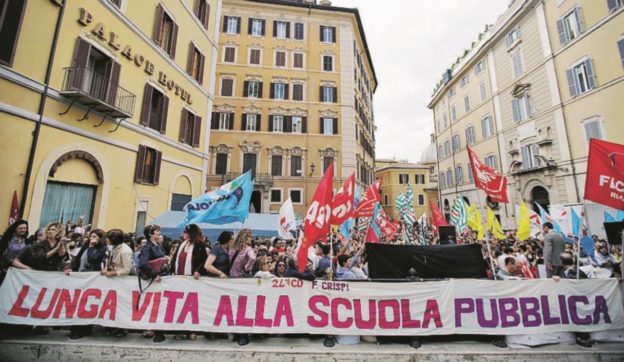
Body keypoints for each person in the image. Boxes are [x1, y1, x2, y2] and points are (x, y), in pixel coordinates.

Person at [170, 224, 209, 341]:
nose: (183, 234)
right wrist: (172, 271)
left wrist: (198, 271)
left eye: (185, 232)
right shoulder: (181, 245)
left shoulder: (200, 246)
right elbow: (175, 259)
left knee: (191, 306)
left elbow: (203, 262)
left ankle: (191, 330)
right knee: (179, 305)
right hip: (179, 279)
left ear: (191, 233)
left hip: (192, 280)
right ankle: (180, 330)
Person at [138, 224, 169, 343]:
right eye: (157, 231)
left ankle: (159, 331)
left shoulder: (158, 245)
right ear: (151, 234)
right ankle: (157, 332)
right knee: (155, 306)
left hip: (161, 278)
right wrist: (154, 274)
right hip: (154, 279)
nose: (159, 233)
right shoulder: (147, 247)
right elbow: (142, 263)